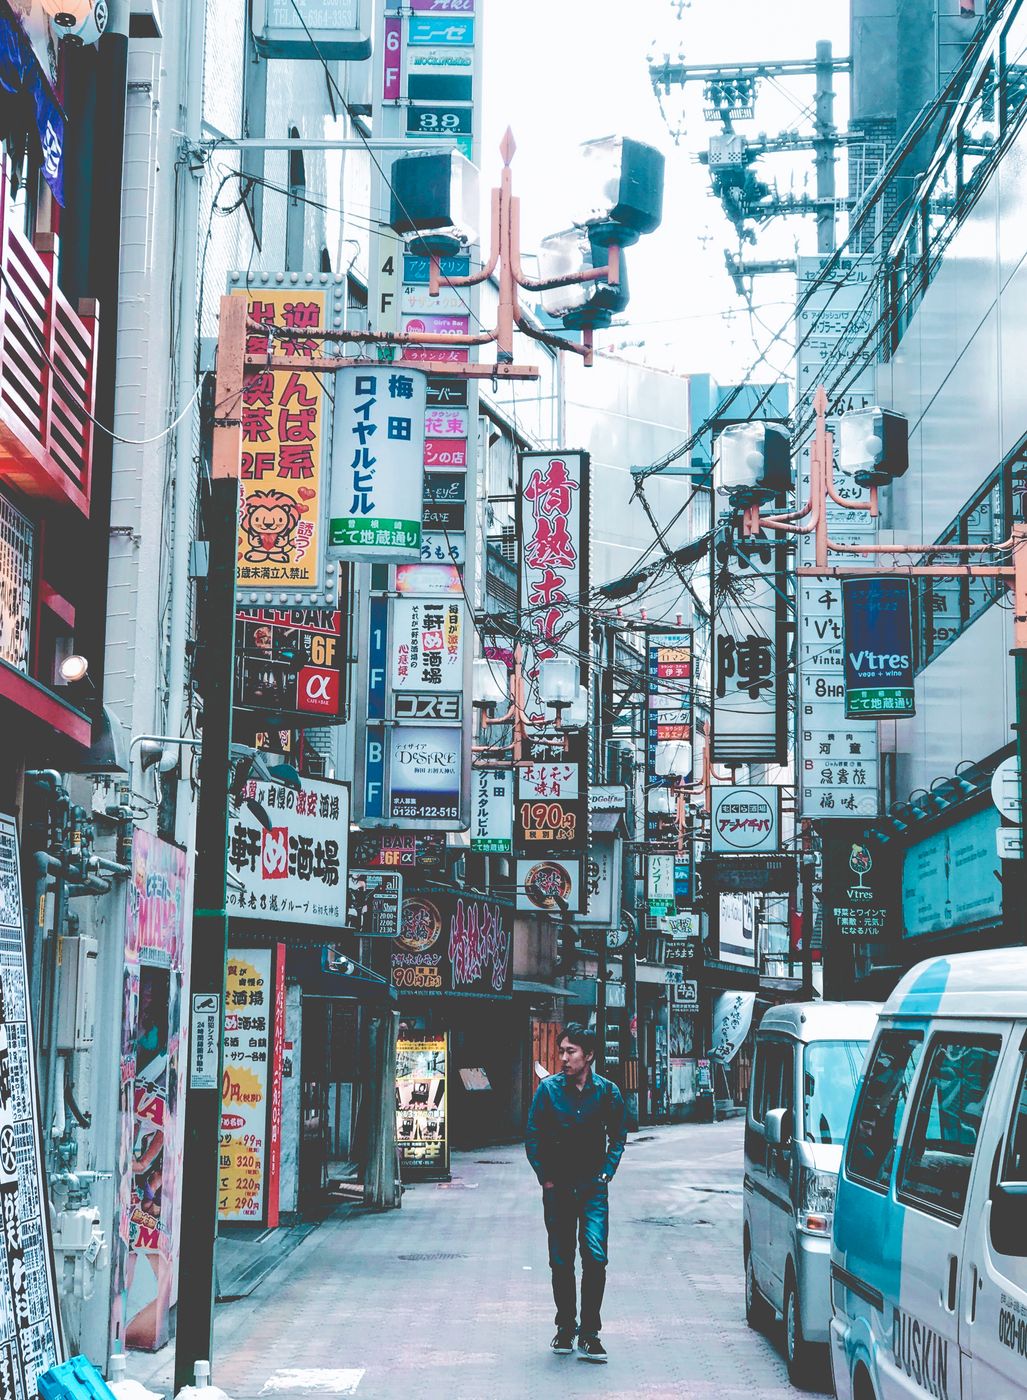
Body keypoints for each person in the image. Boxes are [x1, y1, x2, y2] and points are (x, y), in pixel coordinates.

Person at [524, 1022, 628, 1364]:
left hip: (593, 1188)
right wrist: (546, 1178)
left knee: (595, 1257)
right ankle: (566, 1327)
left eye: (571, 1052)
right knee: (561, 1259)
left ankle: (590, 1333)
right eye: (562, 1052)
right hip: (558, 1187)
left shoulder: (608, 1092)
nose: (564, 1059)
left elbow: (618, 1135)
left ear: (589, 1055)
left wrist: (606, 1173)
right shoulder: (549, 1091)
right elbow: (533, 1136)